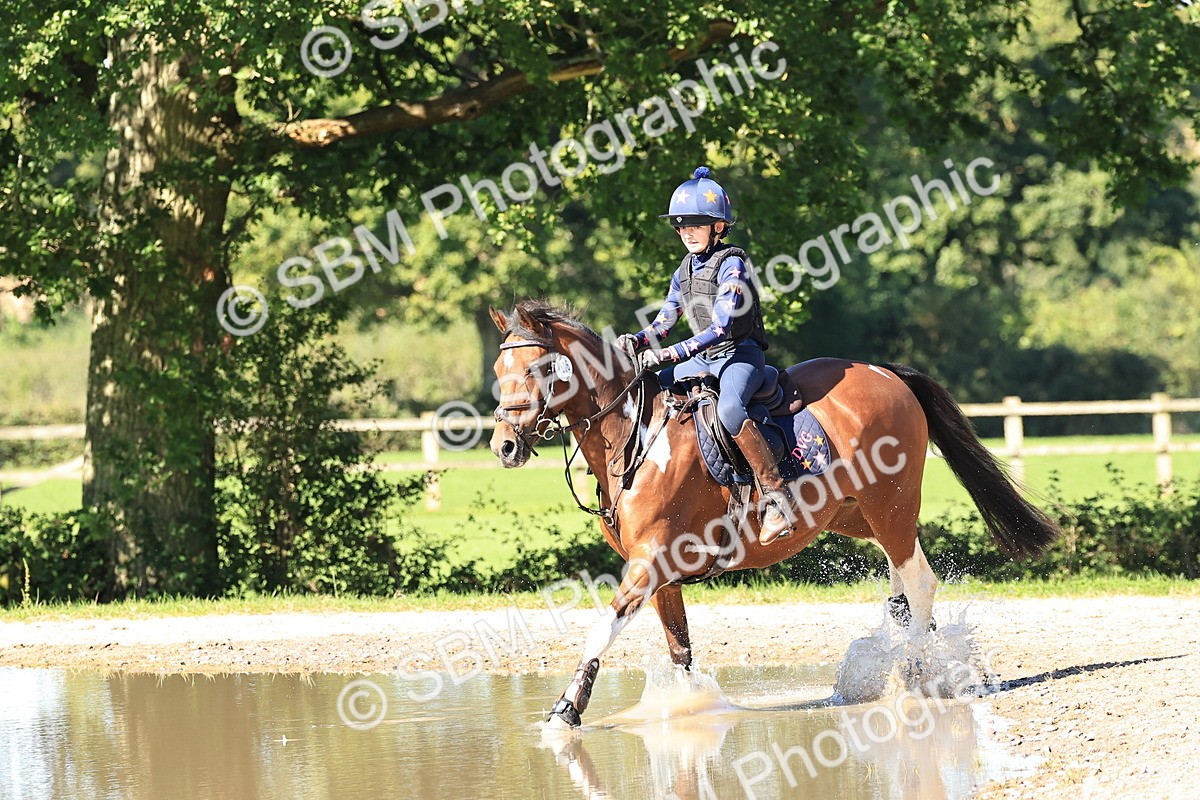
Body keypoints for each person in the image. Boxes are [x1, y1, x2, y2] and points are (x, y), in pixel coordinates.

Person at [617, 166, 796, 545]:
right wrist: (637, 340)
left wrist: (666, 353)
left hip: (739, 355)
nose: (687, 233)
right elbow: (664, 320)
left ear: (718, 227)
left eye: (696, 225)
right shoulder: (684, 268)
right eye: (681, 226)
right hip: (703, 358)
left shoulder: (733, 263)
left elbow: (720, 329)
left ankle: (776, 498)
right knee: (652, 389)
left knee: (731, 410)